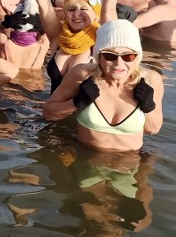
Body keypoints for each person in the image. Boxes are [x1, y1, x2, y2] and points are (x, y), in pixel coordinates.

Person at [43, 20, 164, 153]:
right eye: (110, 55)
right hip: (86, 157)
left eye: (128, 56)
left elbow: (153, 129)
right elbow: (48, 113)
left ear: (137, 57)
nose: (118, 63)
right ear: (99, 57)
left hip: (130, 162)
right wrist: (76, 103)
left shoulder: (150, 80)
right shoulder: (82, 75)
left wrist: (148, 106)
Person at [0, 0, 50, 70]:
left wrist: (8, 23)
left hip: (7, 78)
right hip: (32, 80)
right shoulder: (42, 45)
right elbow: (45, 31)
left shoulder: (4, 42)